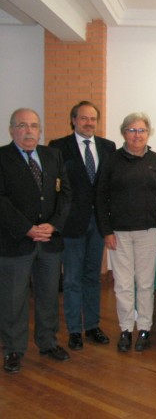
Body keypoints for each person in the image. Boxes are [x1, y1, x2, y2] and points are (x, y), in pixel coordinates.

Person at [1, 108, 72, 373]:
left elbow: (65, 194)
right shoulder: (2, 157)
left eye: (33, 125)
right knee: (13, 299)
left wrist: (53, 225)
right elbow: (2, 201)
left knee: (48, 296)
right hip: (15, 241)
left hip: (49, 242)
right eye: (22, 126)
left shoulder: (52, 155)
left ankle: (47, 341)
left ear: (40, 130)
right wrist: (27, 228)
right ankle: (13, 350)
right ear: (12, 130)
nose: (29, 131)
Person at [96, 112, 156, 353]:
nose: (137, 135)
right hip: (119, 232)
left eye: (142, 131)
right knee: (123, 285)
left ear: (149, 133)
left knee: (146, 283)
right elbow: (100, 197)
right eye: (132, 130)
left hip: (149, 231)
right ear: (124, 133)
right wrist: (106, 231)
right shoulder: (111, 160)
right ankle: (126, 329)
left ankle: (145, 329)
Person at [49, 101, 116, 351]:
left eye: (93, 119)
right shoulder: (59, 147)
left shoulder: (108, 147)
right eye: (83, 118)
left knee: (93, 277)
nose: (89, 123)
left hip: (98, 222)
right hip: (71, 224)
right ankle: (75, 330)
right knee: (72, 278)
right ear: (73, 120)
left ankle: (93, 326)